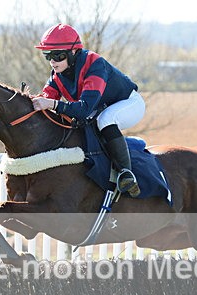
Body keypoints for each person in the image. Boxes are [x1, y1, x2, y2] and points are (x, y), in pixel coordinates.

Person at [31, 23, 145, 197]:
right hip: (99, 108)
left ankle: (126, 173)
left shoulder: (94, 64)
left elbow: (83, 109)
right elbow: (45, 100)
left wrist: (53, 104)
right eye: (47, 55)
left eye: (58, 55)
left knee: (105, 120)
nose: (53, 61)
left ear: (74, 52)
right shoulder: (57, 74)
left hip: (129, 103)